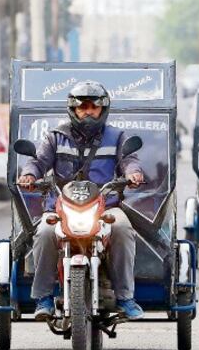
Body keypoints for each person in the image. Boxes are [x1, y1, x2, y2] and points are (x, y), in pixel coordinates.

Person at [18, 81, 146, 320]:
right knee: (45, 232)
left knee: (122, 228)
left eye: (93, 107)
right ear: (73, 109)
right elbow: (38, 161)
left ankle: (126, 298)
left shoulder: (117, 137)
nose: (88, 111)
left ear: (102, 109)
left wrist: (133, 173)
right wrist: (29, 174)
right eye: (82, 107)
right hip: (62, 206)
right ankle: (43, 298)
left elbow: (129, 159)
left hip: (105, 205)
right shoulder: (56, 137)